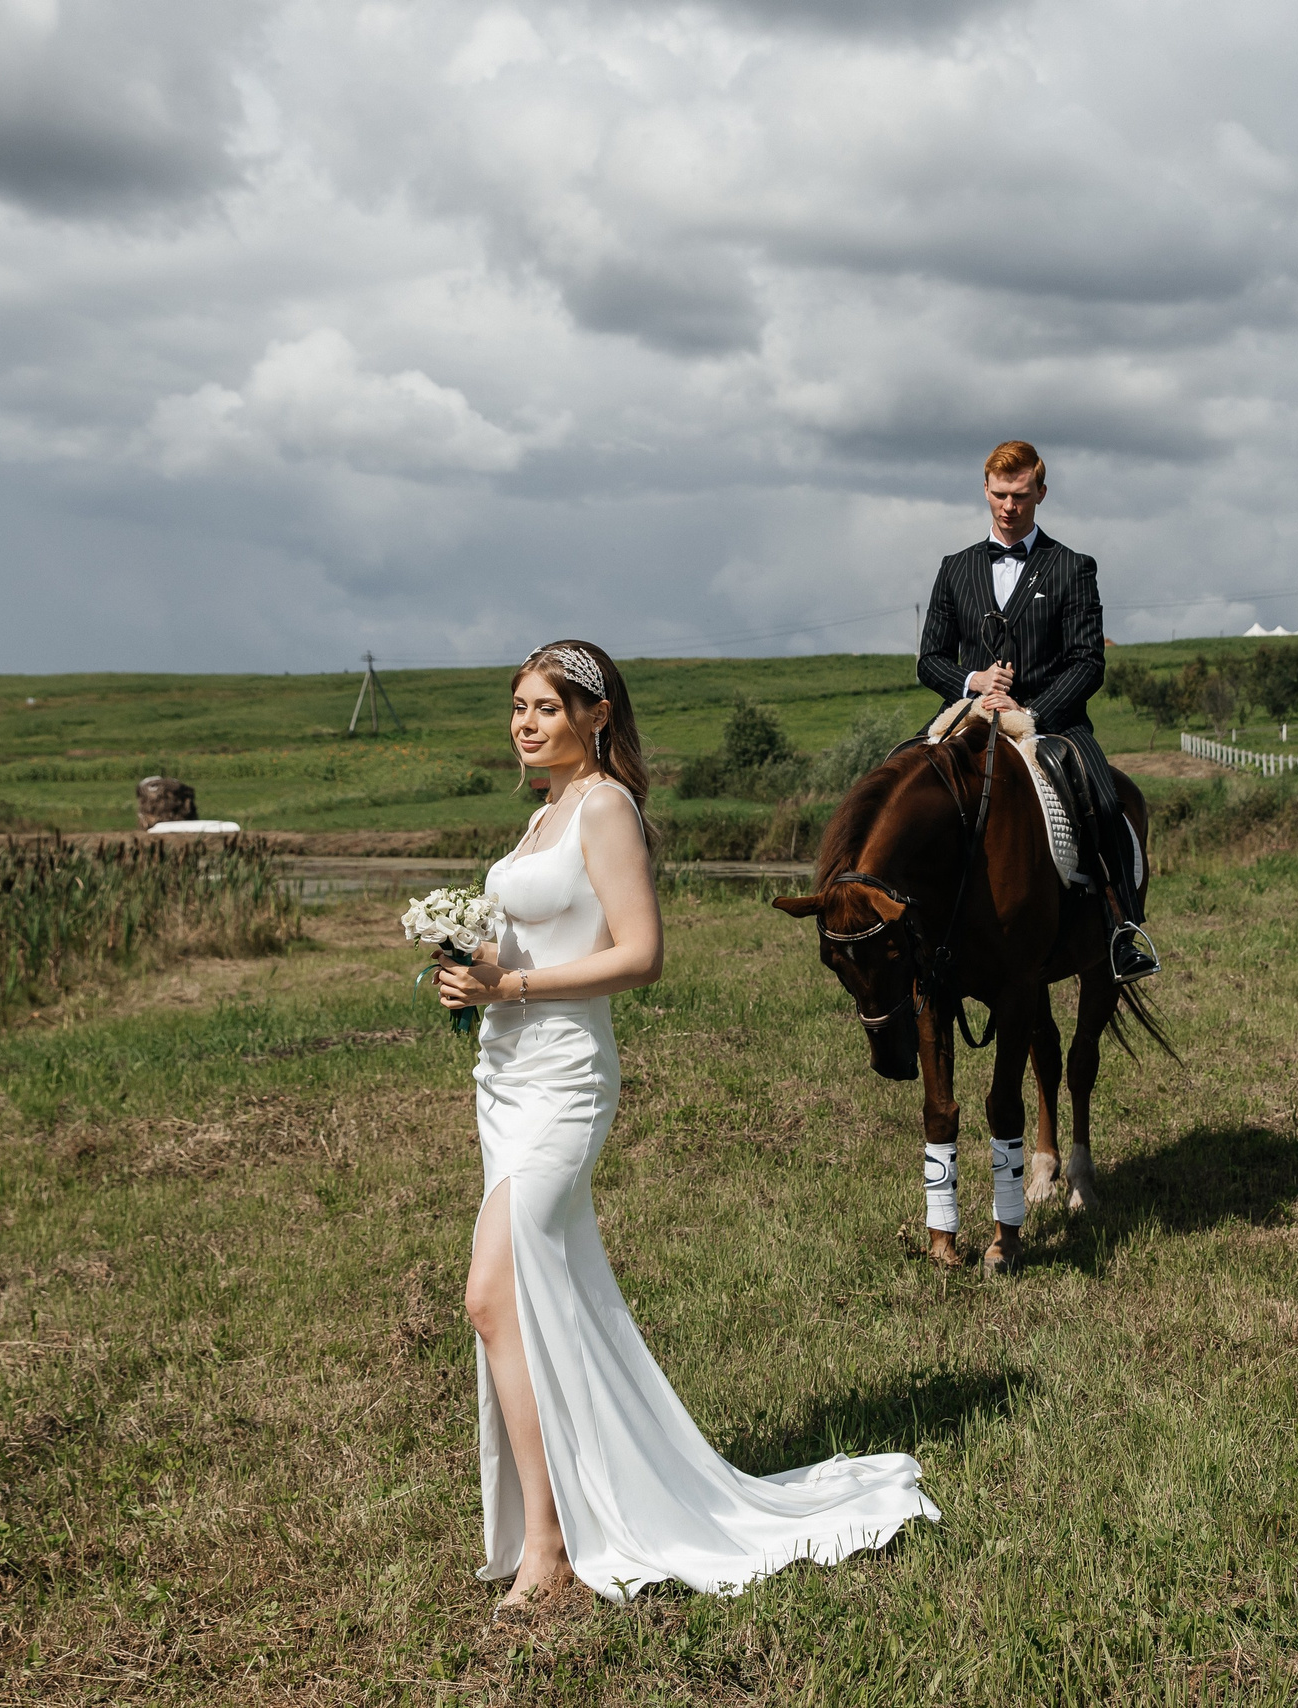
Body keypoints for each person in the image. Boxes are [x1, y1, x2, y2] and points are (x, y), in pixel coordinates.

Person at [436, 641, 939, 1618]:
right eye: (516, 706)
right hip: (502, 1077)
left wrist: (517, 983)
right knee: (526, 1298)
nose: (524, 722)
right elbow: (538, 938)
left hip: (566, 1080)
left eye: (545, 707)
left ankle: (546, 1545)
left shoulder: (604, 808)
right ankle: (561, 1516)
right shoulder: (540, 816)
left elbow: (640, 954)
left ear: (595, 718)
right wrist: (472, 963)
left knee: (491, 1295)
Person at [916, 441, 1157, 984]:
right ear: (985, 491)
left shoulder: (1072, 567)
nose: (1008, 506)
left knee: (1103, 798)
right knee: (902, 776)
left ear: (1040, 494)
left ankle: (1124, 929)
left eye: (1020, 496)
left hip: (1054, 722)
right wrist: (973, 682)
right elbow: (928, 661)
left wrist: (1028, 708)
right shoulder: (954, 569)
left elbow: (1087, 664)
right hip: (969, 718)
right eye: (999, 495)